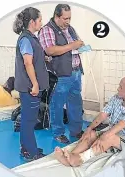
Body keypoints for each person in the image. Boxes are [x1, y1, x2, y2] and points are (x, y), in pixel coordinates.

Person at [54, 76, 125, 167]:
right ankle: (70, 156)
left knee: (108, 137)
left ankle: (80, 159)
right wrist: (89, 128)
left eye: (121, 87)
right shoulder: (117, 97)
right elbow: (103, 114)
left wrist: (105, 135)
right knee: (91, 134)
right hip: (114, 130)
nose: (117, 88)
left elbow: (122, 123)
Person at [38, 4, 85, 144]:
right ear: (56, 16)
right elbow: (50, 50)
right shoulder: (47, 30)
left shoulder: (70, 29)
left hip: (75, 72)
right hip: (60, 75)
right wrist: (73, 46)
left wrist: (81, 45)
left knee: (76, 104)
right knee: (57, 105)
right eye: (65, 18)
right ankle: (58, 133)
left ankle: (76, 131)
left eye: (69, 18)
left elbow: (74, 46)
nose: (68, 21)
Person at [13, 7, 49, 161]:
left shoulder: (30, 38)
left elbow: (32, 59)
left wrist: (43, 59)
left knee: (27, 119)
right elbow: (28, 63)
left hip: (29, 86)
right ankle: (32, 152)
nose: (41, 23)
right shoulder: (26, 39)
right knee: (29, 120)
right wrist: (35, 84)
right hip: (30, 87)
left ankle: (26, 148)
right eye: (40, 20)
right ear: (32, 22)